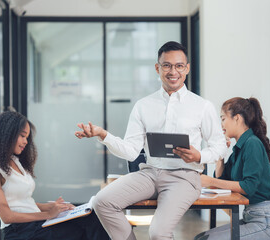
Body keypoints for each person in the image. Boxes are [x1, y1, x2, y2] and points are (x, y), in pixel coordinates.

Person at [75, 41, 227, 240]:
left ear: (187, 68)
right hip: (149, 173)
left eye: (179, 66)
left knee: (158, 232)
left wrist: (199, 155)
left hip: (185, 177)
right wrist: (104, 135)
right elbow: (130, 151)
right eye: (167, 65)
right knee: (101, 202)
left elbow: (219, 147)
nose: (173, 71)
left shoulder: (202, 106)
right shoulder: (143, 106)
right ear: (158, 68)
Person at [0, 111, 110, 240]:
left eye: (27, 137)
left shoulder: (14, 161)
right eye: (22, 136)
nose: (26, 142)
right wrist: (48, 214)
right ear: (7, 134)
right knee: (83, 229)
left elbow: (23, 203)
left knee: (92, 218)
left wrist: (55, 207)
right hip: (19, 232)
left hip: (35, 225)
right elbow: (7, 216)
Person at [195, 97, 270, 240]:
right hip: (254, 218)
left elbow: (248, 187)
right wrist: (220, 155)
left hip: (268, 222)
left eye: (223, 119)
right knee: (201, 237)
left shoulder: (252, 144)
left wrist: (209, 181)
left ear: (237, 118)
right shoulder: (239, 148)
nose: (221, 124)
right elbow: (222, 180)